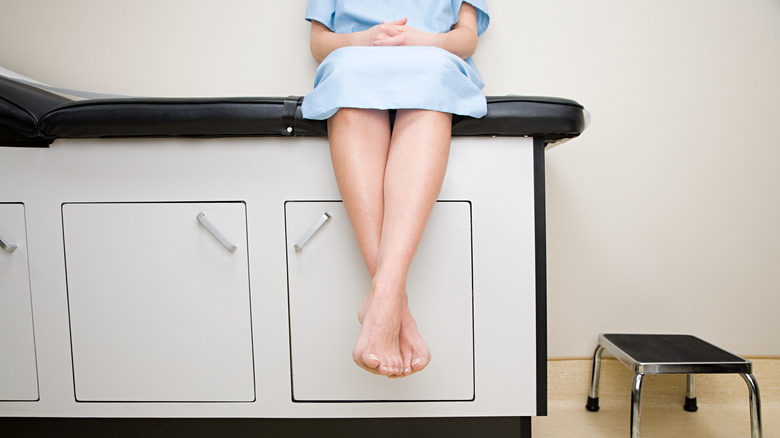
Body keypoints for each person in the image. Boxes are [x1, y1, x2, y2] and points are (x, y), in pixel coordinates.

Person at [302, 0, 489, 378]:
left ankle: (382, 299)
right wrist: (362, 39)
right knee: (348, 71)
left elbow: (467, 38)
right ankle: (395, 308)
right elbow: (319, 43)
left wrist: (423, 40)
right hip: (356, 59)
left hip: (432, 58)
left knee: (433, 71)